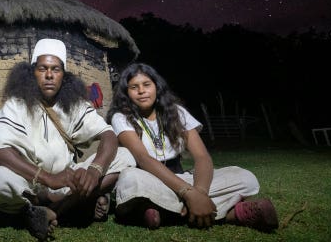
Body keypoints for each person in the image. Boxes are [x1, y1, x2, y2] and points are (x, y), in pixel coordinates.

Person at [0, 38, 135, 241]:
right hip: (28, 182)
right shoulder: (16, 105)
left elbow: (108, 135)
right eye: (42, 68)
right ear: (32, 73)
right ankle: (66, 204)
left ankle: (49, 211)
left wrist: (94, 170)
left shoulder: (74, 105)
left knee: (125, 156)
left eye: (55, 69)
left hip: (67, 183)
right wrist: (47, 179)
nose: (49, 75)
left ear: (63, 76)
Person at [108, 62, 278, 232]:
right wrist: (188, 194)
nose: (141, 91)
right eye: (133, 87)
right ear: (126, 93)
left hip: (182, 178)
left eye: (147, 85)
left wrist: (200, 193)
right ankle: (235, 213)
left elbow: (202, 157)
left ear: (157, 87)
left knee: (244, 177)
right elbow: (143, 159)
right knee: (130, 179)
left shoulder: (176, 112)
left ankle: (160, 211)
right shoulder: (121, 117)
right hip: (149, 177)